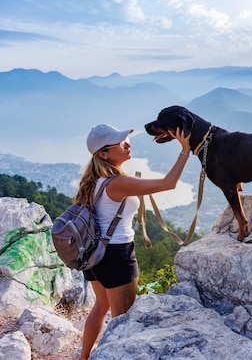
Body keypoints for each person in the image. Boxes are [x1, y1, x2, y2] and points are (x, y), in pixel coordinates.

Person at [75, 124, 190, 360]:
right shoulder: (116, 183)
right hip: (117, 256)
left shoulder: (93, 180)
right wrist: (185, 150)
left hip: (93, 254)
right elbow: (168, 183)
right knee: (121, 319)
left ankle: (83, 357)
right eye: (120, 142)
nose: (127, 144)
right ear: (103, 154)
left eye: (126, 139)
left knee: (101, 307)